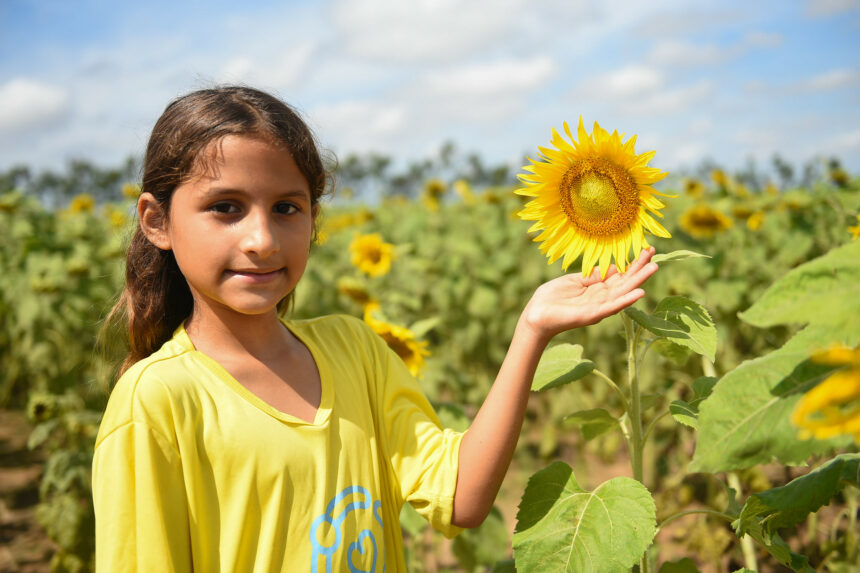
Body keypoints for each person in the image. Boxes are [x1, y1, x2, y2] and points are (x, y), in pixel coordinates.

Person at [92, 85, 659, 572]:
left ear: (314, 218)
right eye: (225, 207)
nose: (261, 238)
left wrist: (532, 331)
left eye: (287, 208)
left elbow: (460, 498)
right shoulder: (158, 401)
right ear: (157, 221)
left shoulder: (355, 349)